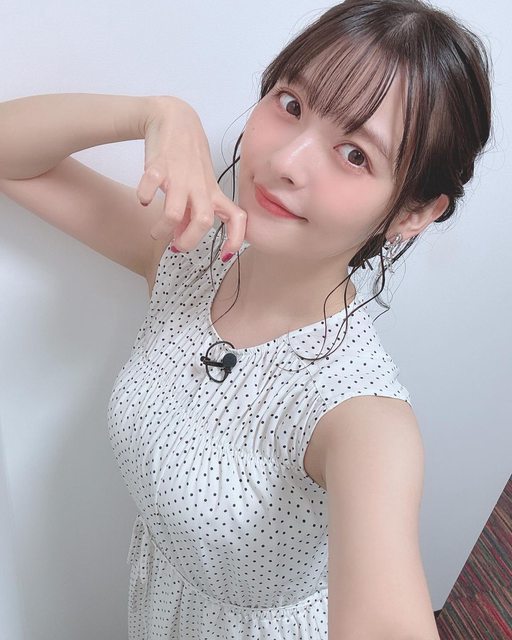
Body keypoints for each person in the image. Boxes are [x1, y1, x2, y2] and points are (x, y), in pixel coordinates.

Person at [0, 0, 493, 638]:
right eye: (291, 104)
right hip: (158, 606)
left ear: (413, 213)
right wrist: (156, 112)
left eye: (354, 154)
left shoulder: (362, 418)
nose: (287, 161)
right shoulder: (188, 255)